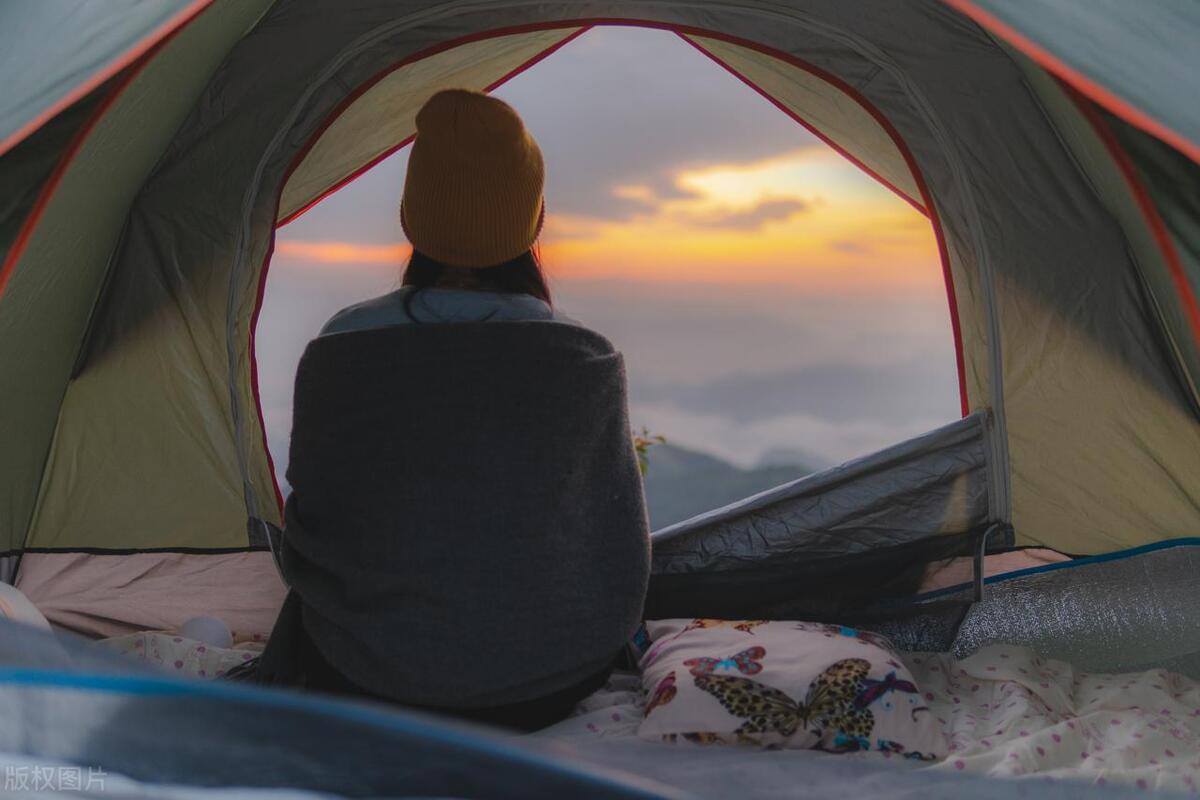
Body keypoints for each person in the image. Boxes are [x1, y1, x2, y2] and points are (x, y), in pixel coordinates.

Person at [255, 89, 651, 732]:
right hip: (547, 681)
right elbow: (616, 549)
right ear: (533, 219)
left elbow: (315, 521)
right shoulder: (581, 359)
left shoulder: (342, 346)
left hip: (360, 672)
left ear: (413, 215)